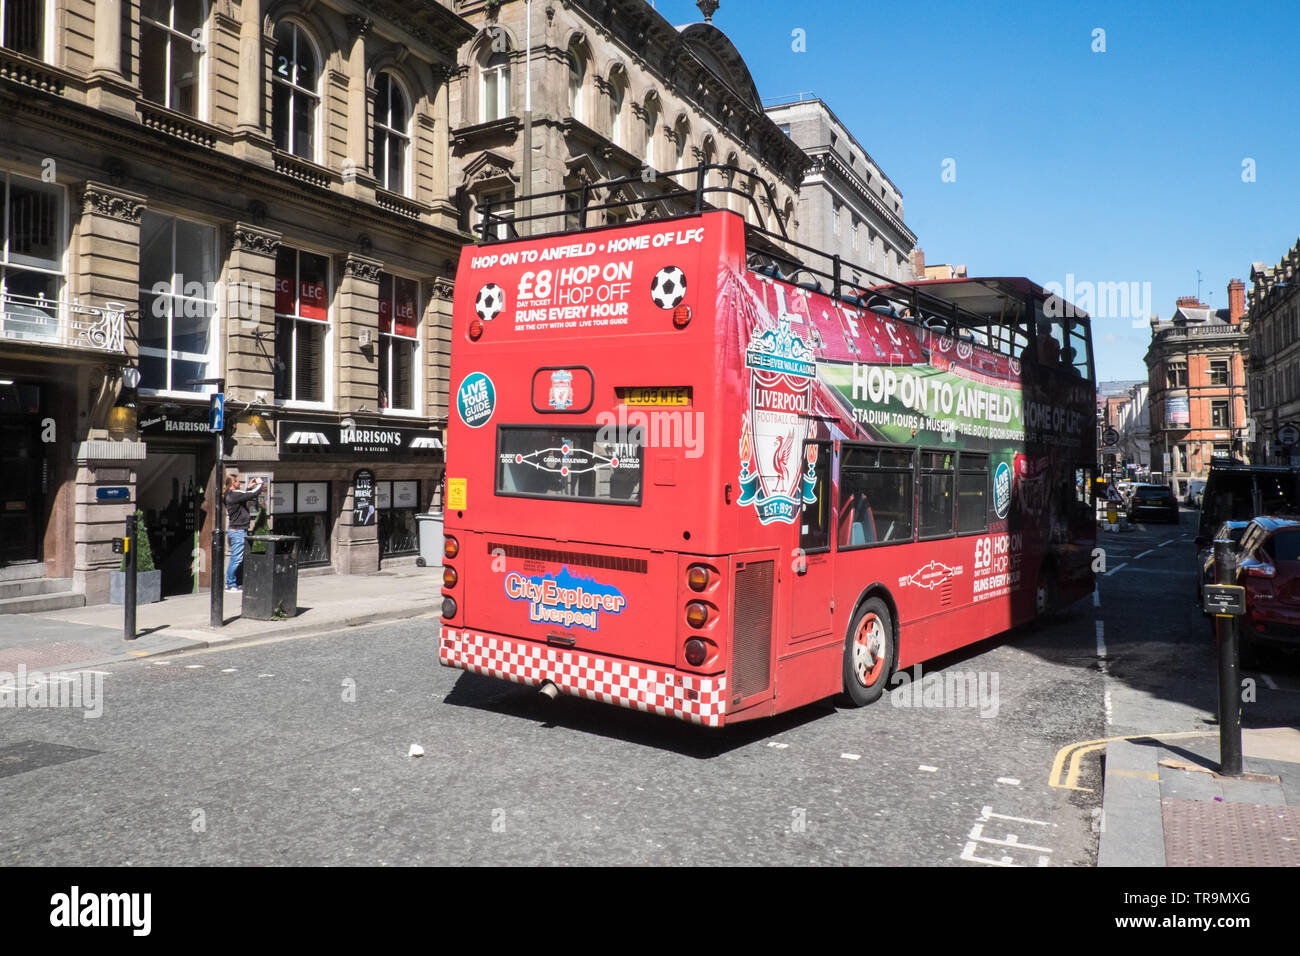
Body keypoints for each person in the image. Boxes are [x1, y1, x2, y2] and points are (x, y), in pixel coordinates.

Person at [224, 473, 264, 592]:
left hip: (236, 530)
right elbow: (253, 494)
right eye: (237, 481)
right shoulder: (234, 494)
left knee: (235, 558)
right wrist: (260, 483)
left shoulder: (229, 494)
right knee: (236, 558)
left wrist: (248, 488)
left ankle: (231, 582)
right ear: (232, 484)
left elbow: (243, 496)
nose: (239, 483)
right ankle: (230, 584)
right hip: (238, 531)